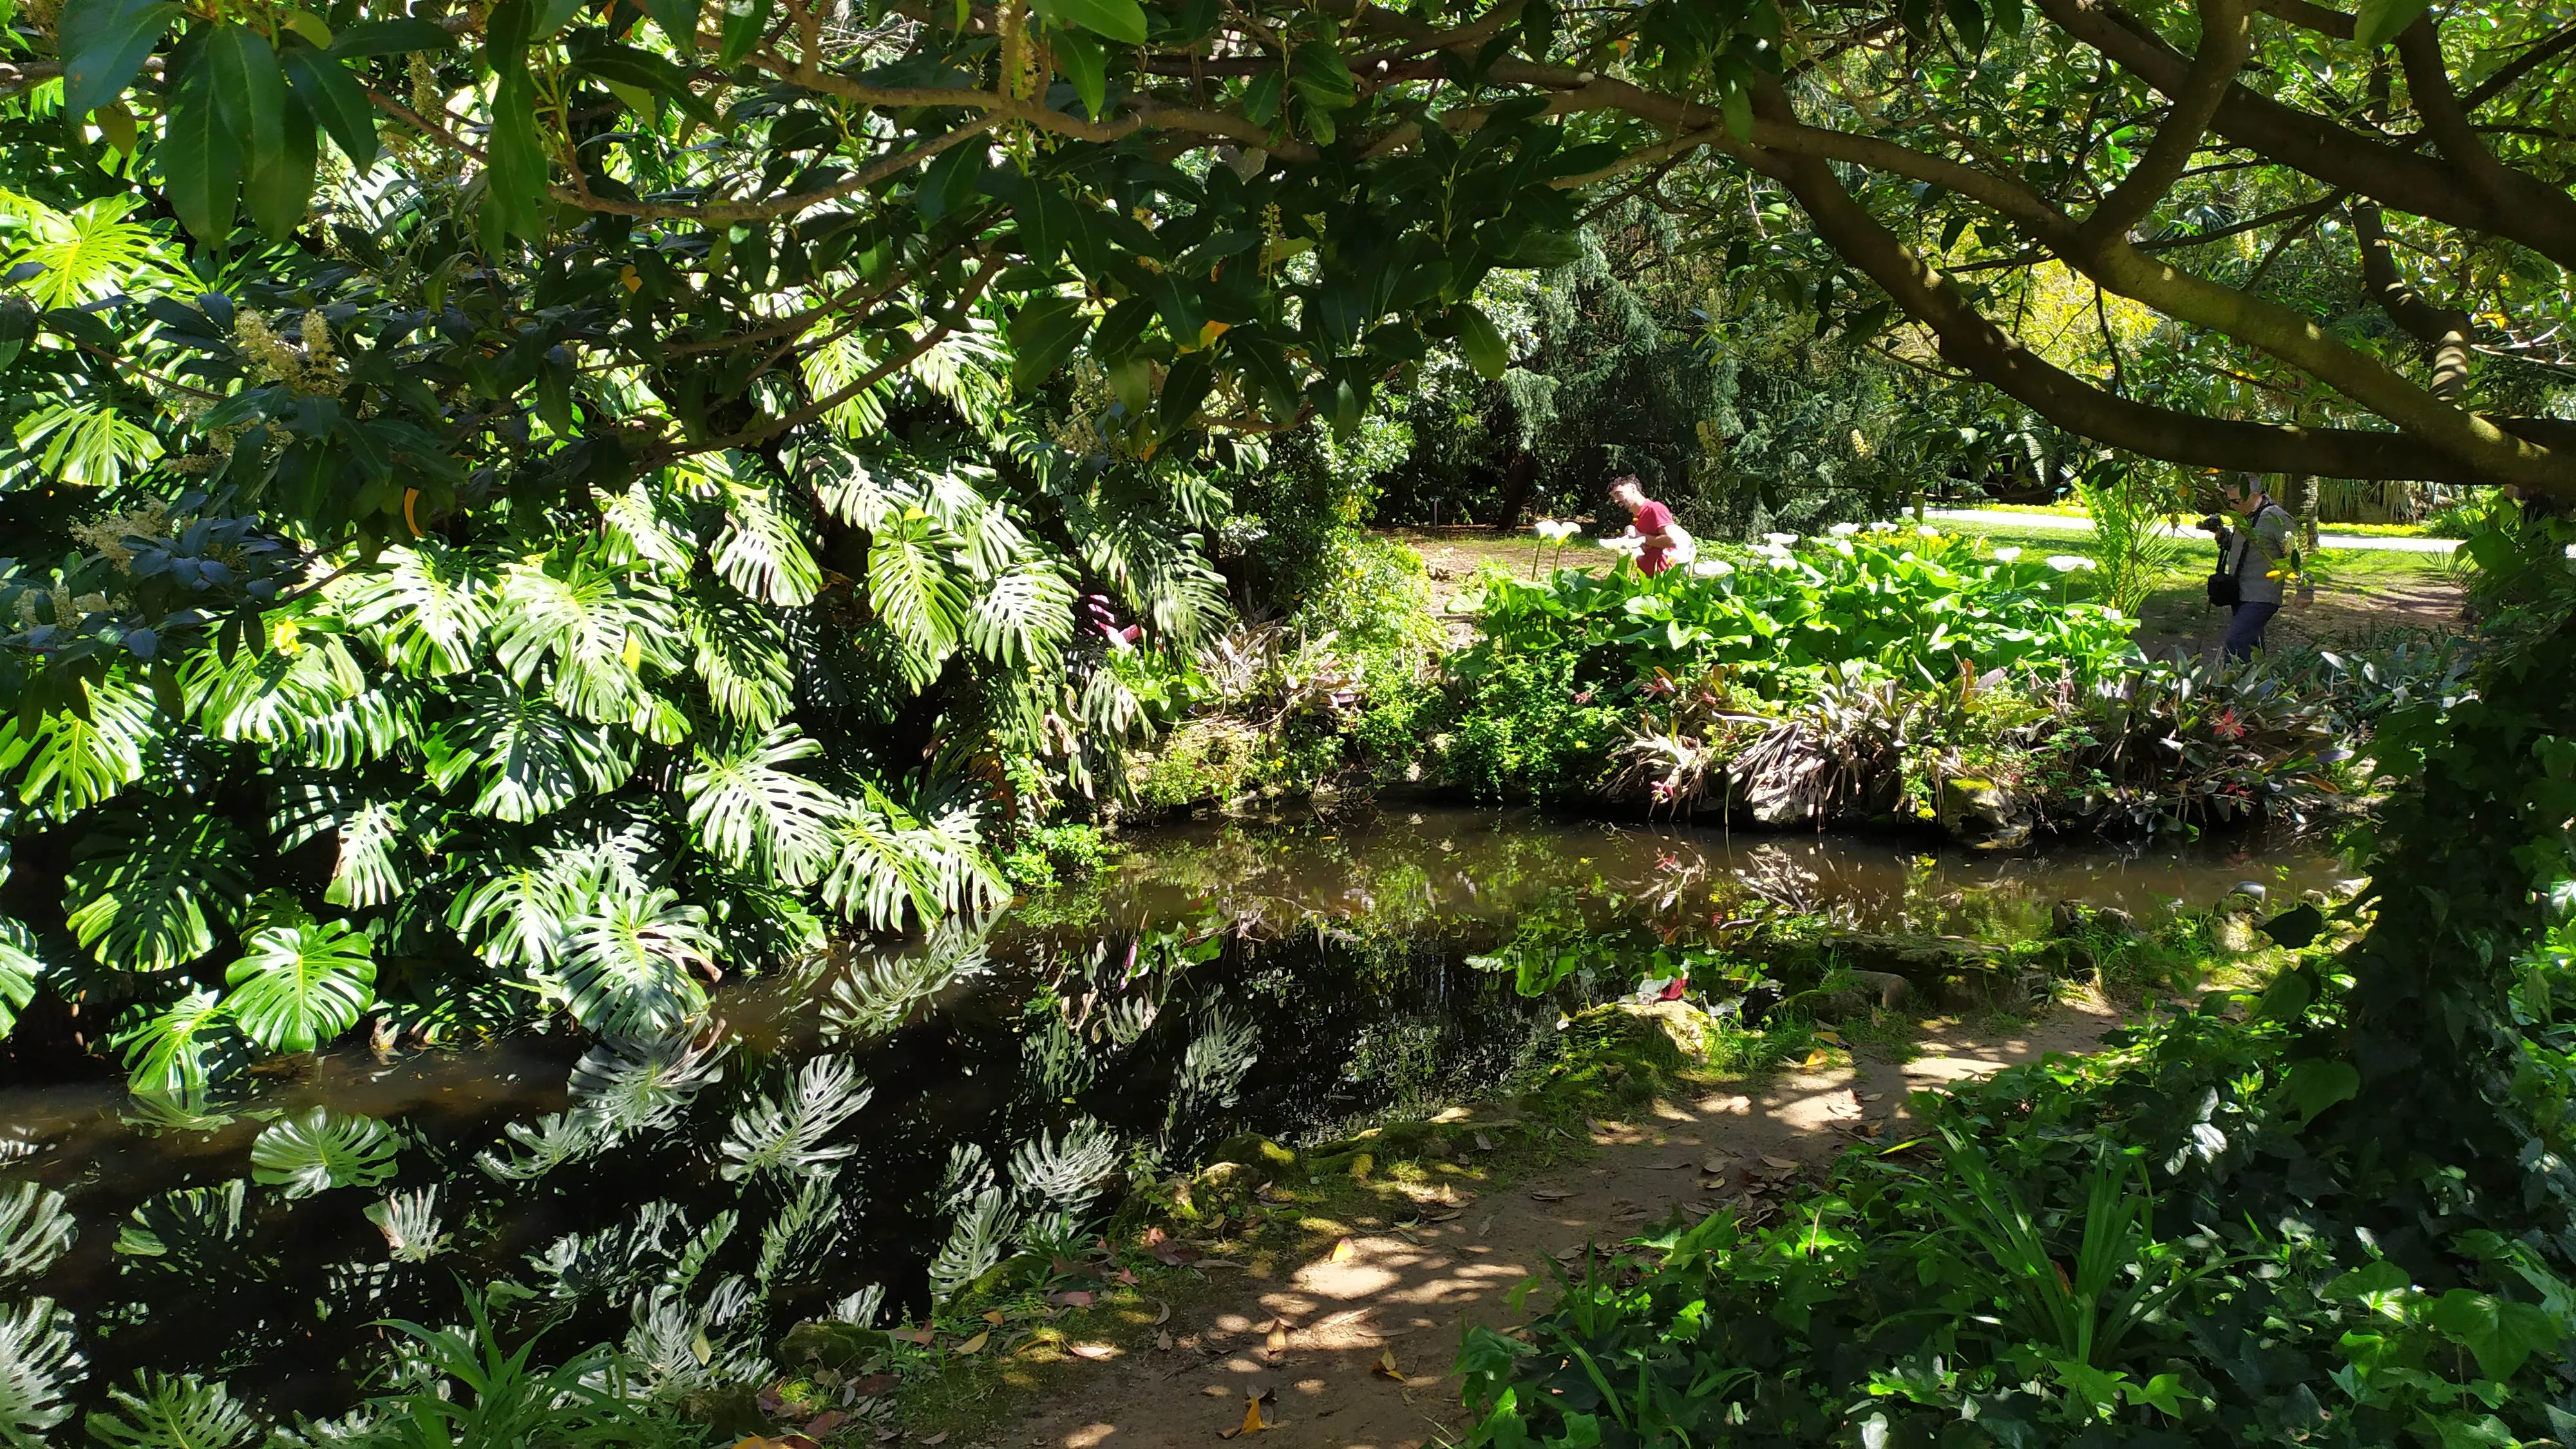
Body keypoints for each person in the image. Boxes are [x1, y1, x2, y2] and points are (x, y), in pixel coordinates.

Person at [2217, 476, 2294, 659]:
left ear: (2253, 496)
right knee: (2252, 646)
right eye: (2229, 501)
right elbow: (2244, 547)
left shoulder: (2277, 518)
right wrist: (2222, 535)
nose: (2232, 506)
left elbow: (2296, 554)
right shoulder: (2245, 516)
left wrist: (2306, 590)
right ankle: (2258, 676)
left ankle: (2234, 677)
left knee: (2237, 641)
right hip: (2240, 592)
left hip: (2262, 595)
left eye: (2236, 501)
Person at [1607, 476, 1687, 576]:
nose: (1616, 501)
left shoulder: (1655, 508)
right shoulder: (1637, 517)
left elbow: (1672, 540)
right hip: (1646, 579)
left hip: (1663, 579)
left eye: (1619, 494)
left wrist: (1640, 537)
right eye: (1613, 498)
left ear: (1633, 488)